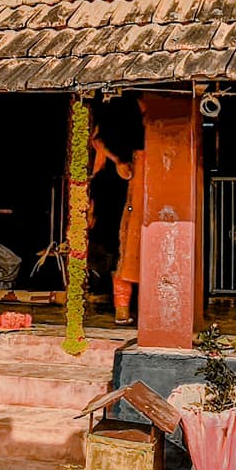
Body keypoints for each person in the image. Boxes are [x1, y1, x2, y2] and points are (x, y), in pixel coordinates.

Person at [91, 131, 143, 325]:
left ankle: (130, 309)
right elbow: (98, 139)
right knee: (117, 254)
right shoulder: (118, 115)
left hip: (137, 193)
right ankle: (121, 309)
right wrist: (118, 161)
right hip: (114, 194)